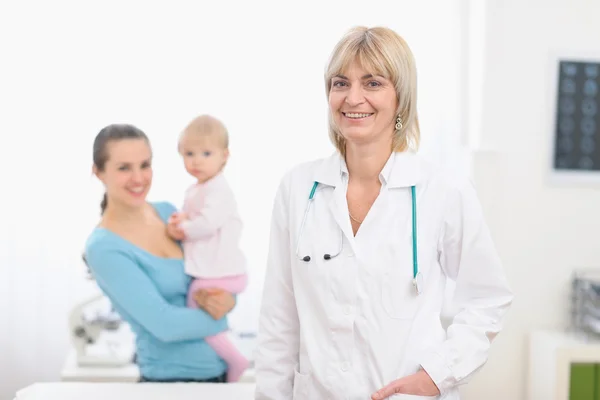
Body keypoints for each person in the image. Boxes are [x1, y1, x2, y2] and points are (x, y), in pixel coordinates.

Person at [254, 26, 513, 400]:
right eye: (340, 83)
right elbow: (279, 319)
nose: (352, 98)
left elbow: (488, 298)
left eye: (373, 83)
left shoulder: (442, 190)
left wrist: (438, 374)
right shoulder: (298, 188)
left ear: (400, 98)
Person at [84, 123, 237, 383]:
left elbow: (213, 269)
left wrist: (229, 299)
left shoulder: (168, 214)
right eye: (124, 168)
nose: (138, 178)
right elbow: (165, 325)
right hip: (168, 382)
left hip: (217, 373)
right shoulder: (104, 247)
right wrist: (223, 318)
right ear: (98, 172)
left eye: (145, 165)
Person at [166, 114, 249, 382]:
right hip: (214, 270)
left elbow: (208, 223)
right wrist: (181, 223)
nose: (196, 160)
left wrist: (185, 226)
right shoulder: (196, 189)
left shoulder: (219, 190)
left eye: (205, 153)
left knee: (197, 310)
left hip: (223, 272)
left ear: (224, 156)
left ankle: (236, 360)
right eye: (189, 153)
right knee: (203, 310)